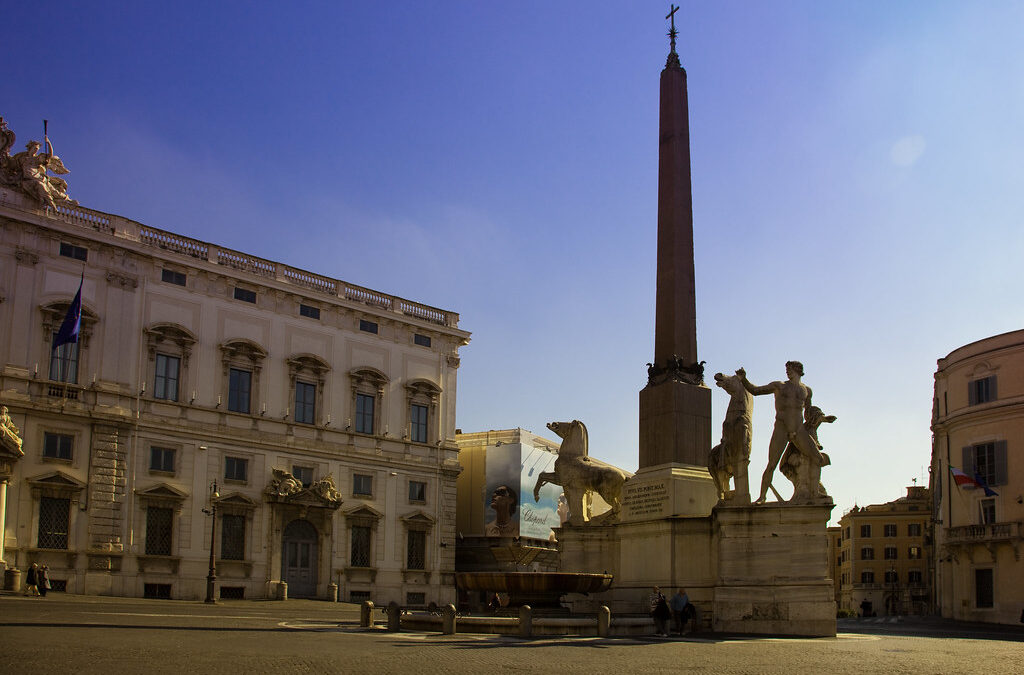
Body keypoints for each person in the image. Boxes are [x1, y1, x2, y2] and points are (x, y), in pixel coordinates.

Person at [739, 362, 823, 504]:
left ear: (798, 371)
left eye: (790, 369)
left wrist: (822, 419)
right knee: (771, 464)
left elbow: (808, 413)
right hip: (781, 428)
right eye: (786, 370)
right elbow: (756, 391)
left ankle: (815, 492)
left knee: (818, 458)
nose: (787, 372)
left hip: (799, 429)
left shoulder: (807, 390)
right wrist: (743, 379)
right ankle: (762, 497)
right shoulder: (779, 386)